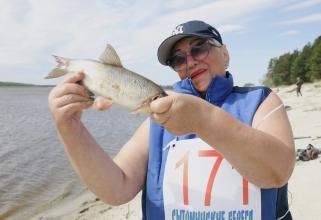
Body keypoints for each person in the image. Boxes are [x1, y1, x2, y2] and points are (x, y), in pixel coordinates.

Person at [48, 20, 295, 220]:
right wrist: (71, 129)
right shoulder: (158, 118)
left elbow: (277, 172)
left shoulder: (261, 100)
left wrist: (203, 119)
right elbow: (117, 189)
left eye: (199, 48)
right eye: (178, 59)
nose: (190, 61)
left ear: (225, 53)